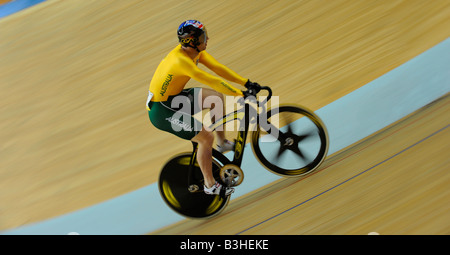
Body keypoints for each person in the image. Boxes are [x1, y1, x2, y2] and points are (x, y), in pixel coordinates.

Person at [147, 20, 259, 196]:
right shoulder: (181, 61)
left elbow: (218, 69)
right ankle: (209, 185)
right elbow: (211, 80)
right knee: (205, 137)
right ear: (192, 41)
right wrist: (240, 94)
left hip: (174, 98)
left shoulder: (195, 52)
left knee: (216, 98)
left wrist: (246, 82)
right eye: (203, 36)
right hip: (161, 111)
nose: (208, 38)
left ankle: (222, 143)